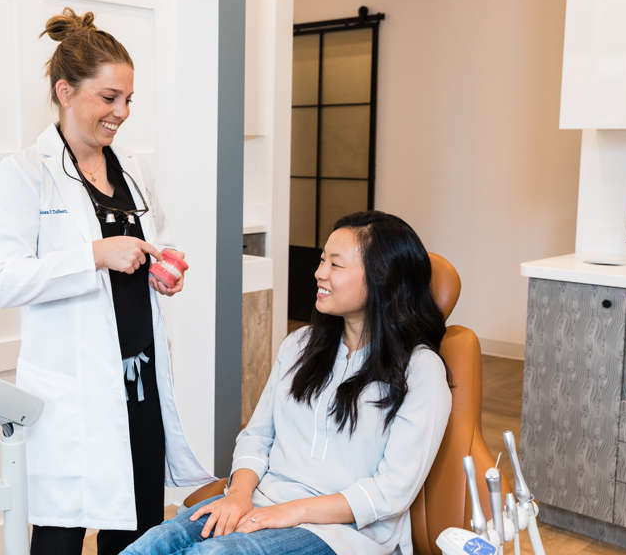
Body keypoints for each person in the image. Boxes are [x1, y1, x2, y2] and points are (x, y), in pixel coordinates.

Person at [0, 8, 213, 555]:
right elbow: (4, 280)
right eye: (109, 98)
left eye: (129, 100)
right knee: (60, 535)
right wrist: (93, 255)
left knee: (135, 531)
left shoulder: (133, 169)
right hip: (75, 390)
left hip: (139, 382)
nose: (122, 112)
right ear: (65, 90)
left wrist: (162, 266)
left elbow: (147, 244)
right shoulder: (23, 174)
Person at [122, 211, 452, 555]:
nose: (318, 273)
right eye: (322, 260)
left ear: (383, 279)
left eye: (335, 265)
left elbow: (391, 492)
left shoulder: (420, 371)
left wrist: (285, 513)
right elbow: (257, 436)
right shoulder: (300, 345)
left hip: (345, 533)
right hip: (263, 501)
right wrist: (237, 496)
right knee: (149, 546)